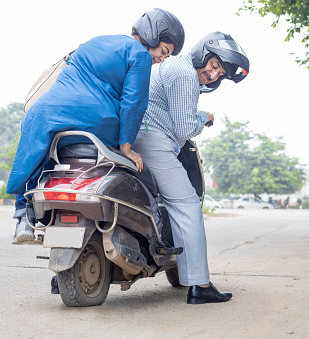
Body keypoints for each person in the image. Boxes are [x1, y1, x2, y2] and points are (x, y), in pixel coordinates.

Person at [6, 8, 185, 244]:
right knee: (138, 170)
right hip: (96, 124)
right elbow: (133, 103)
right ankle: (149, 232)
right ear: (151, 35)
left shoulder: (94, 41)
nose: (162, 59)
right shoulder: (139, 55)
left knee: (39, 158)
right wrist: (127, 146)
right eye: (163, 51)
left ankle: (22, 216)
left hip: (45, 115)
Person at [132, 32, 250, 304]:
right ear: (203, 54)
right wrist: (204, 117)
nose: (214, 74)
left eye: (220, 72)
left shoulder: (172, 67)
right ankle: (200, 285)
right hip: (153, 141)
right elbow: (184, 128)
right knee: (186, 204)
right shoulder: (184, 73)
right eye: (214, 65)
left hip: (139, 137)